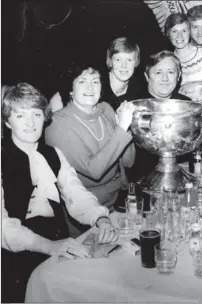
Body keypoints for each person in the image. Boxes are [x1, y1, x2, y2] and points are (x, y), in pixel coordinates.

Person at [1, 83, 118, 303]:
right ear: (8, 122)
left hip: (59, 244)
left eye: (36, 114)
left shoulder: (53, 154)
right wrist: (49, 246)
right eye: (20, 116)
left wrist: (100, 218)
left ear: (45, 117)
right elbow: (2, 227)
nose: (30, 123)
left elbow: (76, 194)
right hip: (13, 259)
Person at [44, 64, 135, 224]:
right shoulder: (57, 124)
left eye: (95, 81)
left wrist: (129, 127)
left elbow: (128, 161)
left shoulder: (105, 109)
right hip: (86, 213)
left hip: (120, 202)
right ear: (71, 90)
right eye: (82, 82)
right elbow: (94, 171)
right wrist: (121, 128)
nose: (90, 87)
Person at [126, 50, 191, 184]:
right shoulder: (131, 105)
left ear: (178, 76)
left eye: (171, 72)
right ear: (147, 76)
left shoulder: (187, 105)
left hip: (178, 178)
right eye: (158, 72)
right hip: (139, 181)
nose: (165, 78)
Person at [50, 37, 146, 112]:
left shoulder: (138, 89)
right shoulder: (96, 81)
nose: (124, 66)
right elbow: (58, 97)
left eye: (129, 60)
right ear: (110, 62)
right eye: (118, 60)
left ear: (136, 62)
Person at [165, 13, 202, 101]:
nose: (179, 36)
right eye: (174, 31)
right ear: (168, 34)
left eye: (184, 31)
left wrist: (195, 85)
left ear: (189, 32)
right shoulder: (167, 60)